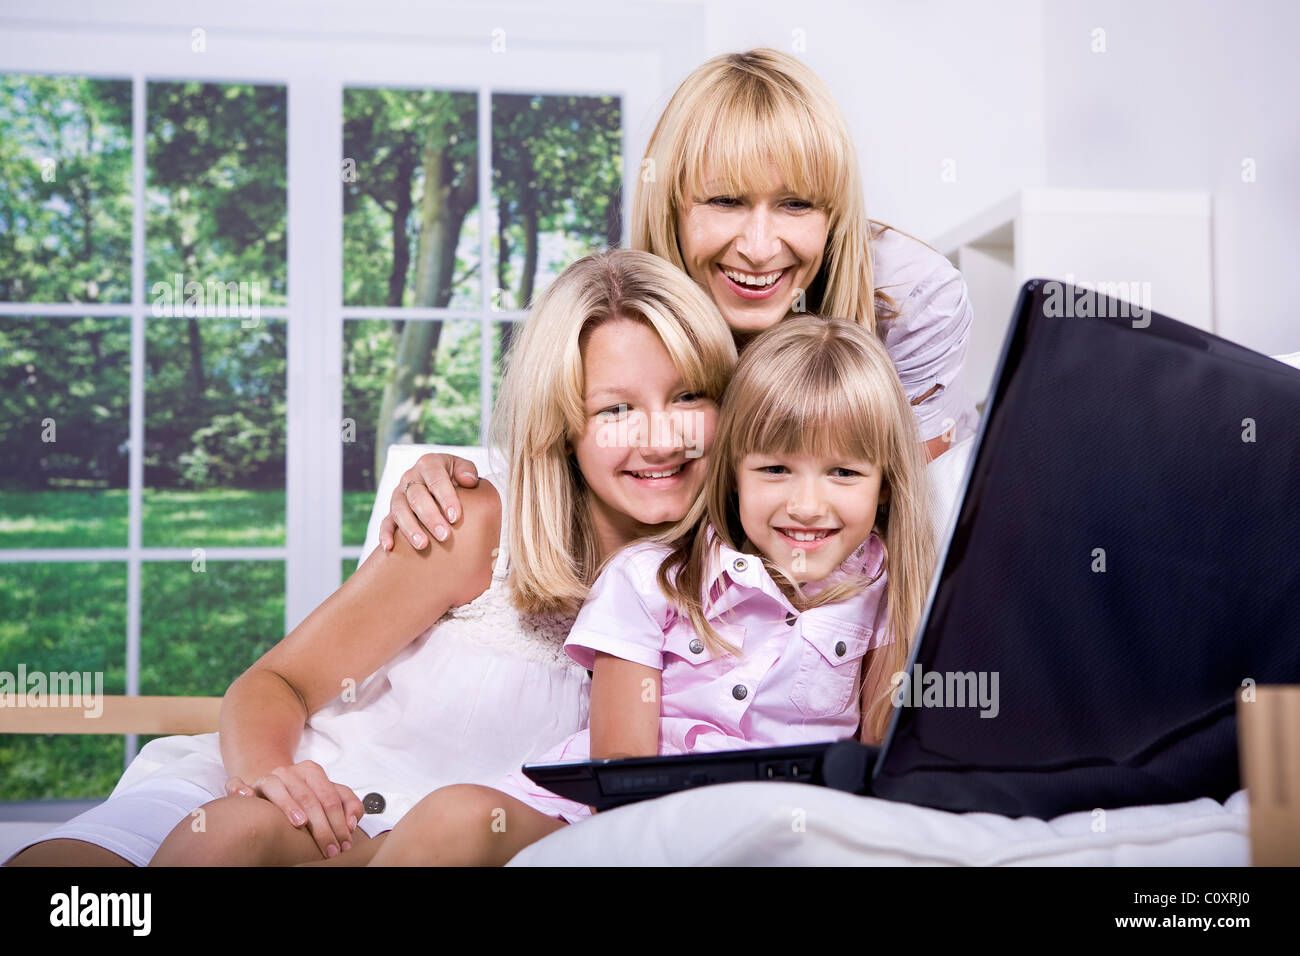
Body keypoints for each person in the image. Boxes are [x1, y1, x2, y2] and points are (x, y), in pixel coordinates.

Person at [4, 249, 737, 867]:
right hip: (285, 798)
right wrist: (274, 779)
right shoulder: (476, 523)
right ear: (563, 421)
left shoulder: (734, 586)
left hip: (415, 847)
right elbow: (276, 684)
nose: (661, 439)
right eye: (615, 410)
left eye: (689, 398)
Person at [363, 314, 937, 865]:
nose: (807, 506)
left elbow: (883, 765)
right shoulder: (648, 580)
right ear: (732, 472)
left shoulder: (886, 589)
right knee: (453, 820)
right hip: (619, 818)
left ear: (885, 485)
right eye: (775, 470)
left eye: (843, 473)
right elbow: (621, 782)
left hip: (786, 826)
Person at [380, 47, 977, 554]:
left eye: (796, 204)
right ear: (672, 206)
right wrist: (454, 481)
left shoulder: (911, 297)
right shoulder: (636, 309)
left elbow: (885, 526)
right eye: (725, 202)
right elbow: (579, 447)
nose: (761, 248)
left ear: (834, 211)